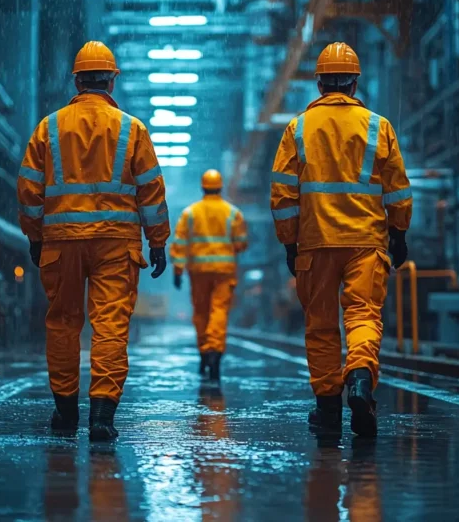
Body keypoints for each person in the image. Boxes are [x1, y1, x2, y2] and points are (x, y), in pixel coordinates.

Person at [17, 41, 170, 441]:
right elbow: (151, 191)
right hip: (116, 245)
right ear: (111, 81)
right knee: (110, 327)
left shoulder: (48, 127)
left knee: (64, 323)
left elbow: (29, 189)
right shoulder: (132, 129)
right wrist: (157, 241)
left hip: (62, 240)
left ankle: (66, 412)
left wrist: (35, 237)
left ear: (78, 79)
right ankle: (102, 416)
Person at [270, 42, 412, 437]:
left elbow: (282, 194)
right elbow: (398, 189)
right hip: (366, 240)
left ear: (319, 84)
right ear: (354, 83)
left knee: (320, 326)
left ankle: (328, 411)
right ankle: (362, 379)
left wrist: (289, 241)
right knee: (363, 315)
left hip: (315, 243)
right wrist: (398, 232)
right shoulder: (377, 126)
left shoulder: (297, 128)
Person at [169, 170, 248, 381]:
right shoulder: (233, 213)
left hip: (198, 272)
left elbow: (180, 243)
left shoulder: (190, 213)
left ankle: (204, 351)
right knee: (219, 311)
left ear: (202, 187)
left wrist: (177, 270)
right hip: (224, 271)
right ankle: (215, 351)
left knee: (201, 312)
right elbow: (240, 243)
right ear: (221, 187)